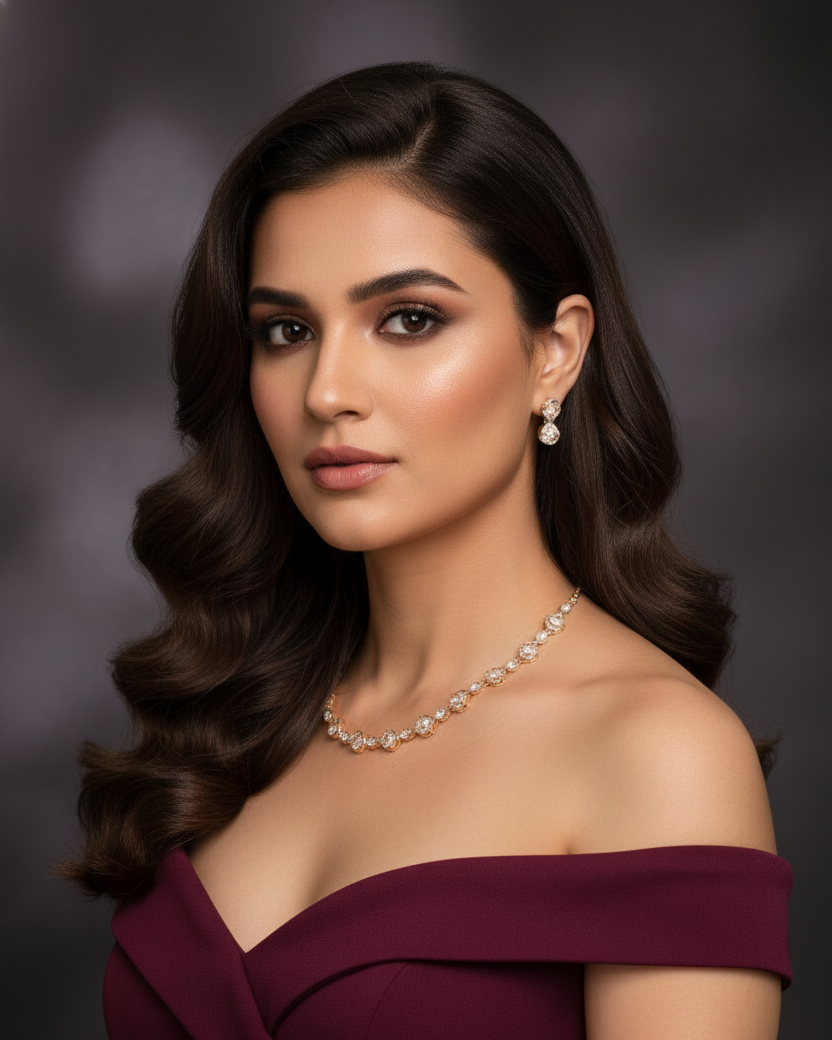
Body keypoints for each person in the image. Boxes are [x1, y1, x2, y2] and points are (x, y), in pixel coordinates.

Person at [61, 62, 791, 1039]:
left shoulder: (657, 751)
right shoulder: (236, 715)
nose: (327, 389)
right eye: (285, 329)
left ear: (554, 352)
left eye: (408, 318)